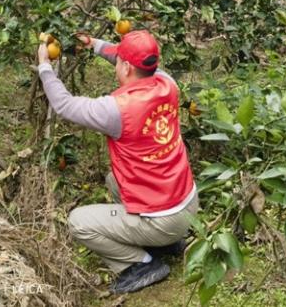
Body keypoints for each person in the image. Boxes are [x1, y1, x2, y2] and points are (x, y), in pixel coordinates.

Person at [36, 30, 198, 293]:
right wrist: (94, 44)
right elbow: (132, 62)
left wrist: (45, 66)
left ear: (125, 66)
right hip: (188, 206)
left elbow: (64, 105)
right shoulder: (168, 84)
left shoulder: (117, 109)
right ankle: (169, 242)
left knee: (79, 222)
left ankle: (142, 264)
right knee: (114, 180)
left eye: (120, 60)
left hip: (163, 220)